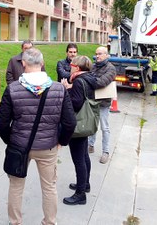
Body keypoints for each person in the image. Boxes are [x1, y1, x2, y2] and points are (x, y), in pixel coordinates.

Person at [0, 48, 76, 225]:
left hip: (19, 146)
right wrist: (61, 142)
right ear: (42, 63)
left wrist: (11, 140)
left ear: (23, 63)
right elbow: (70, 122)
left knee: (16, 187)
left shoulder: (13, 89)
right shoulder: (58, 89)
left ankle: (15, 222)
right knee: (49, 187)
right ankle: (49, 222)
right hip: (48, 147)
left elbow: (1, 122)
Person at [61, 55, 98, 205]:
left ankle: (80, 194)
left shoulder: (78, 81)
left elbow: (75, 104)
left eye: (72, 65)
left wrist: (65, 90)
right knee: (84, 156)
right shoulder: (89, 78)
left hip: (78, 124)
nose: (70, 66)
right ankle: (85, 184)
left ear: (77, 67)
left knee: (79, 160)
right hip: (87, 123)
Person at [89, 46, 117, 163]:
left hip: (104, 103)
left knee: (104, 128)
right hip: (92, 101)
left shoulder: (111, 69)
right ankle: (90, 145)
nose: (97, 56)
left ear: (106, 55)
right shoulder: (93, 66)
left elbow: (101, 82)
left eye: (100, 54)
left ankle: (105, 152)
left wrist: (91, 80)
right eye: (96, 54)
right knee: (92, 126)